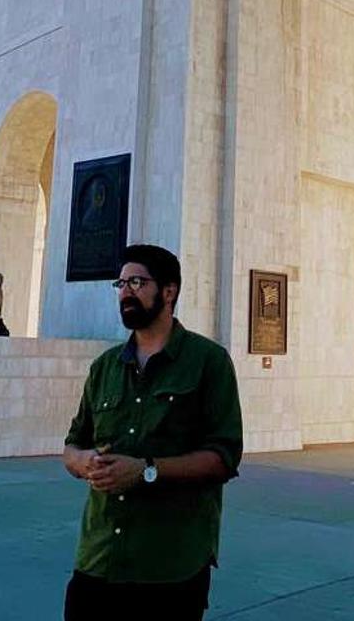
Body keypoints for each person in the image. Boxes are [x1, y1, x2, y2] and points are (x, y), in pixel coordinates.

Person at [62, 243, 242, 620]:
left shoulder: (208, 362)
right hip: (98, 560)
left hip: (169, 567)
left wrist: (146, 470)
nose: (126, 291)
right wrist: (85, 463)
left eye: (137, 282)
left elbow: (223, 457)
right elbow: (73, 446)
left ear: (169, 291)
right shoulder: (104, 367)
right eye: (121, 283)